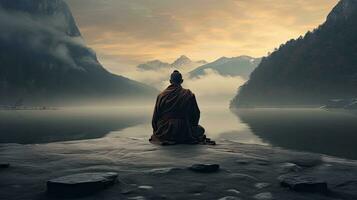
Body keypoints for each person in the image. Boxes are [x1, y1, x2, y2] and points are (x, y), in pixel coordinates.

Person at [150, 70, 215, 145]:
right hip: (184, 129)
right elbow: (196, 114)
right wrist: (191, 126)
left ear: (170, 81)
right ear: (182, 81)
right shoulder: (189, 94)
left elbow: (155, 117)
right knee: (201, 130)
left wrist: (157, 131)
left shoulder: (161, 95)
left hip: (165, 130)